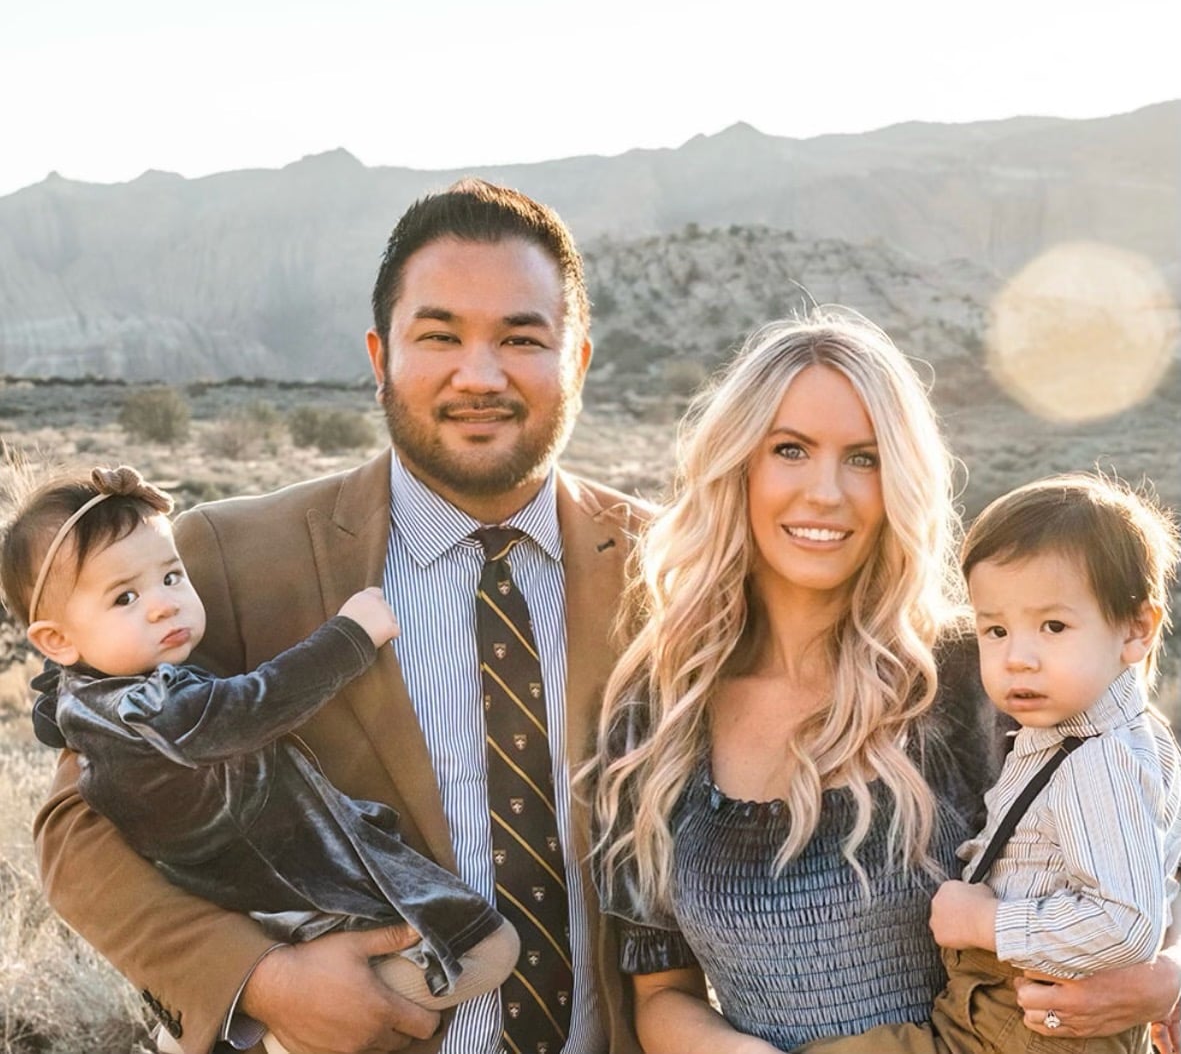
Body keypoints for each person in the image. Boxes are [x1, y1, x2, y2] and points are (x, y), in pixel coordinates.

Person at [32, 180, 651, 1054]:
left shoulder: (676, 566)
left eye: (521, 338)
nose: (479, 374)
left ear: (578, 359)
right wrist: (260, 980)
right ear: (379, 357)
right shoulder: (228, 563)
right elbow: (76, 833)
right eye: (438, 336)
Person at [589, 311, 1181, 1054]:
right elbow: (661, 990)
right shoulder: (657, 709)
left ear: (901, 478)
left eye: (863, 458)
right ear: (738, 465)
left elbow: (1146, 857)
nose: (825, 492)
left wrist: (1168, 974)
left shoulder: (984, 677)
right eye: (790, 450)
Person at [3, 464, 520, 1054]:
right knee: (486, 947)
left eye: (172, 577)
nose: (163, 606)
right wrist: (270, 988)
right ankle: (280, 1041)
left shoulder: (89, 695)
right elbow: (247, 707)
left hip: (276, 882)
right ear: (57, 641)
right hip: (290, 888)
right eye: (125, 596)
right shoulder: (144, 703)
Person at [790, 471, 1181, 1054]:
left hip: (1024, 1020)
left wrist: (985, 925)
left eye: (1053, 626)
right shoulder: (1116, 735)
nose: (1017, 658)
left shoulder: (1099, 763)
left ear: (1136, 629)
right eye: (995, 629)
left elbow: (1126, 924)